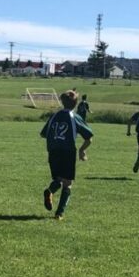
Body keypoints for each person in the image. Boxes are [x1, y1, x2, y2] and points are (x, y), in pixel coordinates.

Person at [40, 90, 94, 221]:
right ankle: (59, 213)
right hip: (67, 151)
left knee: (58, 178)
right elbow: (89, 137)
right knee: (68, 183)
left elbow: (43, 134)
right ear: (75, 104)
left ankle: (50, 191)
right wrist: (82, 151)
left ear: (62, 102)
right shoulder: (74, 117)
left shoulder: (54, 116)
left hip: (53, 151)